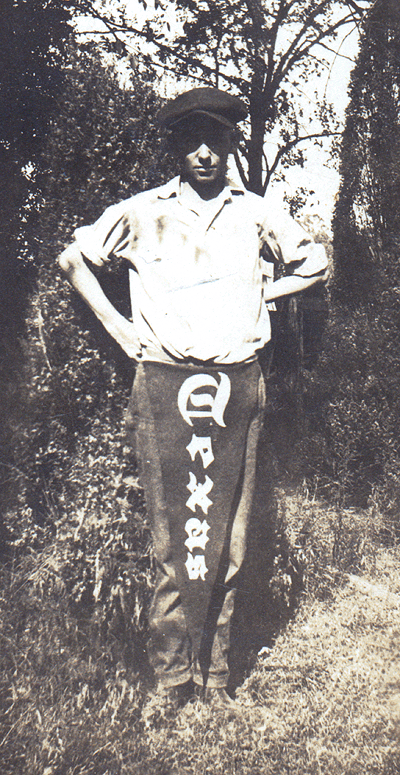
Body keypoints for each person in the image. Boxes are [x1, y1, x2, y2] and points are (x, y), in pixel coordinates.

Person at [59, 87, 328, 714]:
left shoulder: (256, 213)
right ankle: (171, 679)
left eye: (216, 141)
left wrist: (264, 293)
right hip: (163, 383)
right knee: (172, 538)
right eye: (191, 142)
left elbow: (315, 265)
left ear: (231, 144)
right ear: (176, 148)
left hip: (237, 384)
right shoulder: (141, 212)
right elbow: (74, 259)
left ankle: (215, 676)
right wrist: (120, 328)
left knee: (229, 538)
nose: (205, 154)